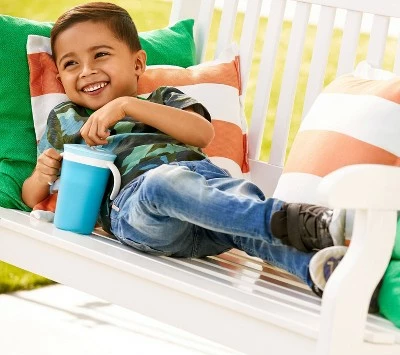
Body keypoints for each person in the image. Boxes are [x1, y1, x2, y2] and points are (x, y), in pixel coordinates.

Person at [22, 2, 347, 299]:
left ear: (138, 63)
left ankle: (326, 274)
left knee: (242, 217)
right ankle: (289, 220)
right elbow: (30, 196)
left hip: (212, 208)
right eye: (71, 63)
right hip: (139, 214)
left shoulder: (162, 98)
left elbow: (202, 133)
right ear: (60, 75)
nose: (86, 70)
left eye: (100, 55)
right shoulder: (68, 118)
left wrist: (127, 106)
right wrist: (41, 174)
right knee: (162, 184)